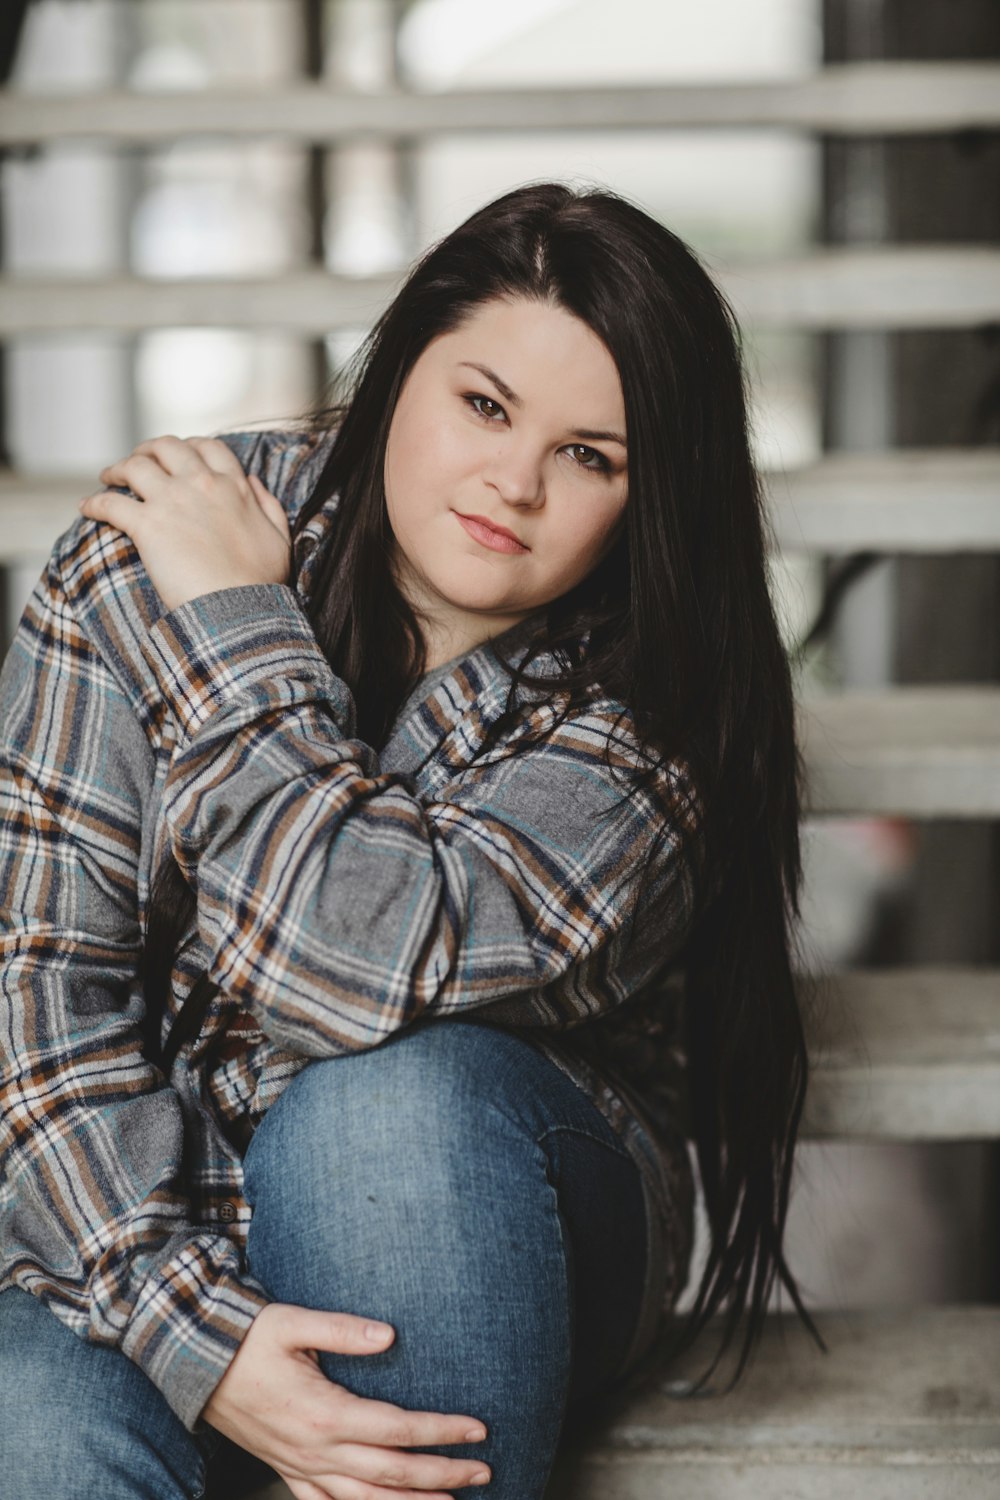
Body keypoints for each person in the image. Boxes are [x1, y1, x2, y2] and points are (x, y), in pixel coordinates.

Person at [0, 181, 824, 1500]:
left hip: (496, 1205)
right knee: (36, 1437)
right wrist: (196, 1338)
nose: (514, 481)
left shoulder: (659, 707)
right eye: (485, 406)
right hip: (133, 1199)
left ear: (646, 496)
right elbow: (41, 989)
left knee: (384, 1112)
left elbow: (347, 970)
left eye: (590, 456)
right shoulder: (148, 548)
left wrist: (234, 629)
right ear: (396, 376)